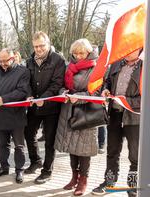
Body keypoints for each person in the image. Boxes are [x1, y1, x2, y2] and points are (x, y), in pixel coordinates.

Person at [92, 48, 143, 197]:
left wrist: (128, 102)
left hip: (134, 117)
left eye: (132, 48)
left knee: (135, 155)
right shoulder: (116, 64)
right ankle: (109, 182)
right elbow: (107, 82)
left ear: (140, 48)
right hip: (114, 114)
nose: (127, 50)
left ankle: (133, 185)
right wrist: (105, 90)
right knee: (112, 151)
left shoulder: (145, 67)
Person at [54, 38, 100, 196]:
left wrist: (79, 96)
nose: (78, 56)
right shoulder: (69, 67)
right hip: (69, 110)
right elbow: (61, 85)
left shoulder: (95, 68)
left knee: (84, 149)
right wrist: (63, 93)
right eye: (75, 53)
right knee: (71, 146)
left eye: (81, 53)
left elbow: (97, 91)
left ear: (88, 52)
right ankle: (74, 177)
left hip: (86, 112)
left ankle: (83, 180)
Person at [25, 31, 66, 184]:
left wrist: (44, 98)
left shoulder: (58, 60)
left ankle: (47, 171)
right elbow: (26, 81)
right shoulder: (29, 61)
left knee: (49, 139)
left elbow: (57, 83)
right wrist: (29, 95)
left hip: (51, 107)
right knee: (28, 133)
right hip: (34, 105)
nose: (39, 49)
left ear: (48, 44)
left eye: (42, 46)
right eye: (36, 46)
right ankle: (35, 160)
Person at [0, 48, 30, 183]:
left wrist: (4, 99)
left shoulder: (23, 72)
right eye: (0, 61)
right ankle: (4, 167)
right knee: (3, 144)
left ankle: (19, 170)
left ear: (13, 58)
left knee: (18, 146)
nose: (2, 64)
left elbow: (22, 91)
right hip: (0, 115)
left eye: (5, 61)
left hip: (16, 115)